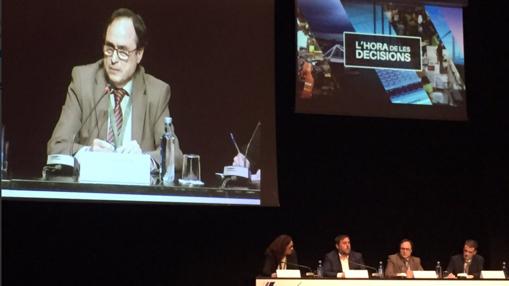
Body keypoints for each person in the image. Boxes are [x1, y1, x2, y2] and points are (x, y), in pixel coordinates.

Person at [47, 8, 183, 171]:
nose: (113, 59)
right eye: (109, 48)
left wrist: (143, 159)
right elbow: (56, 147)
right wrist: (87, 152)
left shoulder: (157, 92)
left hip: (136, 191)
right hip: (91, 189)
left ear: (139, 54)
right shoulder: (83, 81)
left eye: (123, 51)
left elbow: (174, 156)